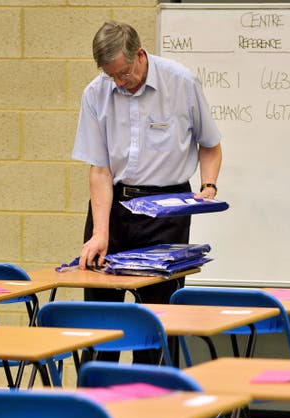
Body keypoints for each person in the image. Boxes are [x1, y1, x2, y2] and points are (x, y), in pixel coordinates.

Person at [71, 21, 222, 364]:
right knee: (100, 323)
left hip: (165, 210)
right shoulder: (95, 93)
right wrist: (100, 233)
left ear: (140, 55)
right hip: (114, 205)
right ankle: (98, 402)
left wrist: (208, 186)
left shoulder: (181, 82)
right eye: (112, 77)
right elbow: (100, 169)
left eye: (123, 73)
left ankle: (147, 404)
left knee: (155, 322)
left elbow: (210, 145)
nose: (119, 83)